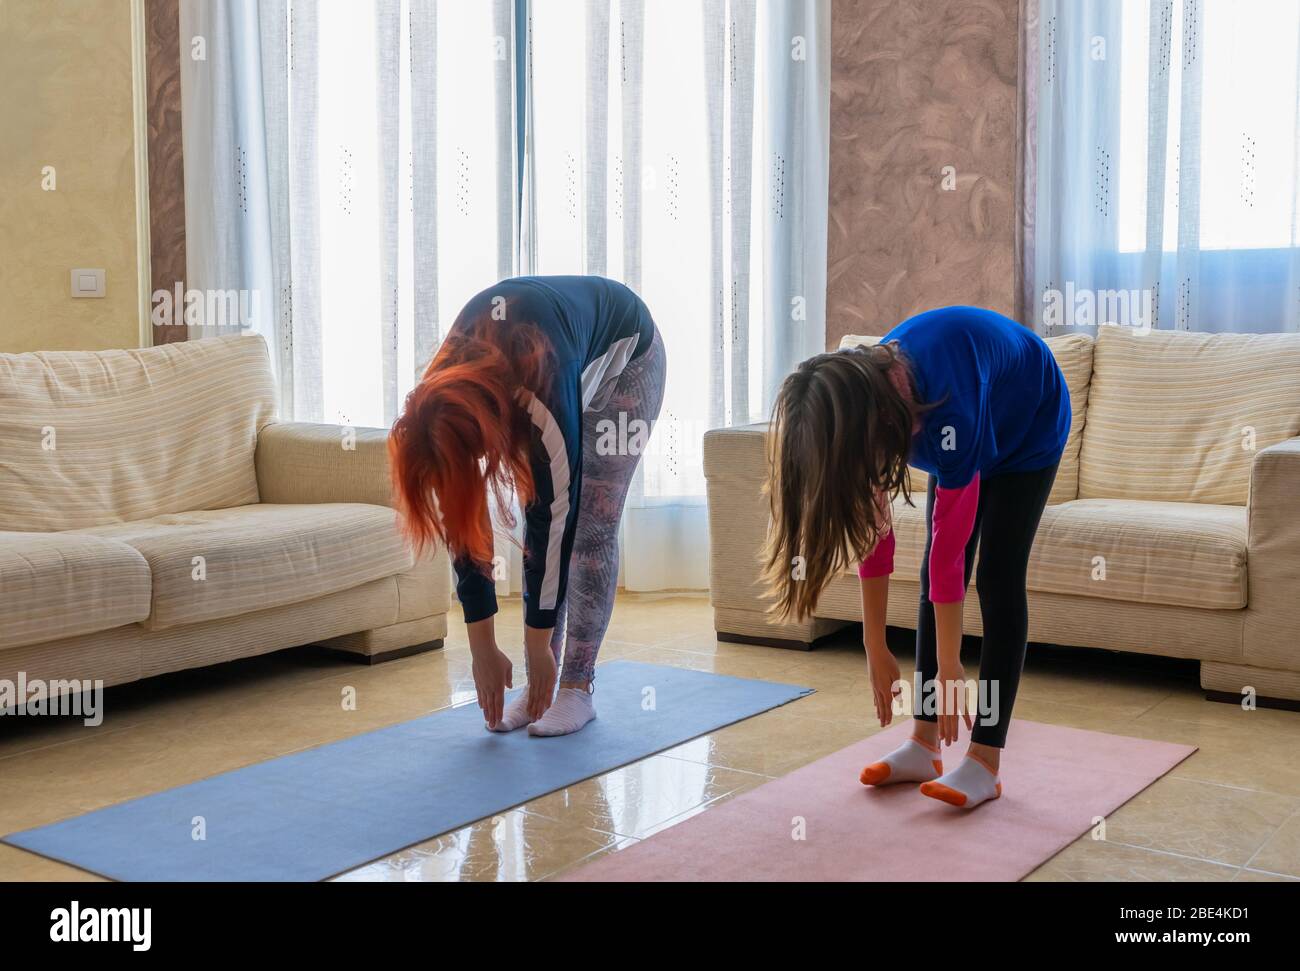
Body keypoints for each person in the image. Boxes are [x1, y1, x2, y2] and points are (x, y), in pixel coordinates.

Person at [762, 306, 1069, 808]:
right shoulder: (859, 407)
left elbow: (953, 554)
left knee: (995, 577)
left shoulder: (950, 408)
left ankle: (985, 761)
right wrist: (874, 643)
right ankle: (924, 743)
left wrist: (952, 667)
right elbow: (877, 537)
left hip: (1028, 424)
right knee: (932, 571)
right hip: (964, 412)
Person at [389, 276, 666, 736]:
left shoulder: (541, 395)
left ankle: (576, 686)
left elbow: (554, 520)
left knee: (588, 524)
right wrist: (482, 649)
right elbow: (463, 520)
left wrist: (538, 648)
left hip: (629, 358)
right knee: (540, 509)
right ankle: (541, 683)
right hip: (537, 361)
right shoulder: (433, 406)